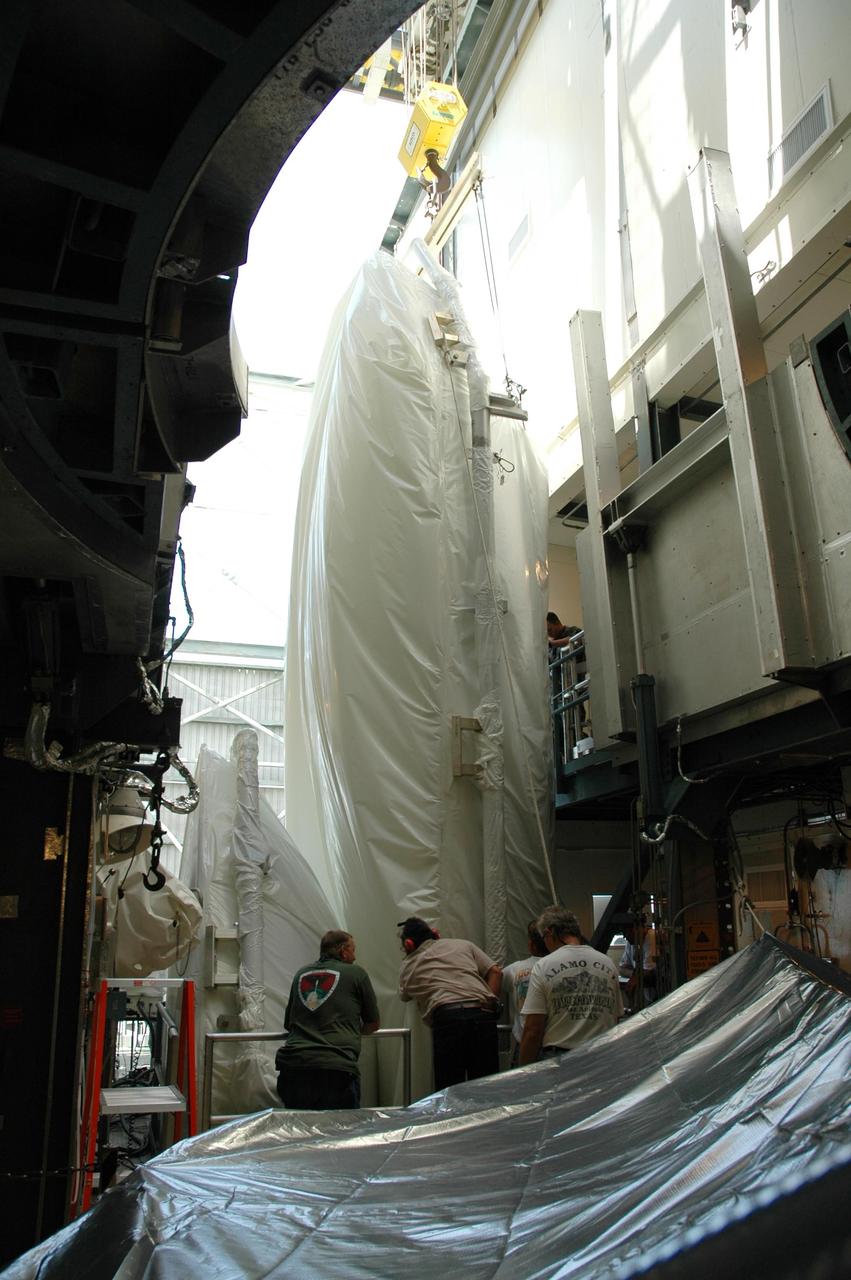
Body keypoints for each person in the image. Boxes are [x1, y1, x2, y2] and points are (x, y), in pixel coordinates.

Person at [276, 929, 379, 1110]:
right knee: (342, 1133)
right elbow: (373, 1023)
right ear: (343, 951)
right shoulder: (356, 974)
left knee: (301, 1134)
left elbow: (288, 1023)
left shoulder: (301, 974)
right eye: (353, 950)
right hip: (337, 1070)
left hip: (294, 1067)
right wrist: (351, 1030)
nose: (354, 957)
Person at [397, 916, 502, 1090]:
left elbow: (404, 995)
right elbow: (496, 972)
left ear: (408, 944)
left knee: (451, 1089)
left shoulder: (408, 967)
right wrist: (490, 1003)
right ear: (436, 934)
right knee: (486, 1086)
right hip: (481, 1015)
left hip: (448, 1019)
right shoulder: (463, 945)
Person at [519, 906, 622, 1065]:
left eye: (544, 937)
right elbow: (615, 1016)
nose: (545, 944)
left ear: (551, 932)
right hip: (602, 1057)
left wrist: (523, 1070)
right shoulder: (607, 964)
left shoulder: (543, 966)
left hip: (560, 1059)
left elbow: (533, 1030)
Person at [501, 920, 549, 1065]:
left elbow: (497, 977)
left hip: (523, 1039)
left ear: (531, 945)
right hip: (552, 1042)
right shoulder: (555, 967)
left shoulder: (515, 970)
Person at [617, 915, 658, 1010]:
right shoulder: (631, 942)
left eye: (627, 933)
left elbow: (649, 971)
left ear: (636, 929)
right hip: (648, 995)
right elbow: (622, 969)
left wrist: (636, 976)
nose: (625, 937)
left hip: (661, 990)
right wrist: (636, 976)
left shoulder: (652, 937)